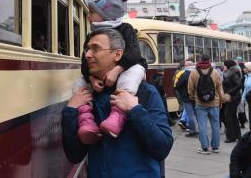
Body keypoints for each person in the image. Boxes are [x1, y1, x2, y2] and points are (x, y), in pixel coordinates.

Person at [62, 28, 173, 177]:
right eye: (87, 49)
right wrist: (70, 110)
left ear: (118, 54)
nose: (87, 55)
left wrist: (135, 110)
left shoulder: (146, 92)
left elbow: (162, 148)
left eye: (95, 49)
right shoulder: (85, 97)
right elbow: (75, 155)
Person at [73, 0, 148, 143]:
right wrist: (91, 78)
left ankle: (118, 115)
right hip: (100, 77)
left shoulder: (125, 29)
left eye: (92, 12)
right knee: (78, 83)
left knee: (135, 72)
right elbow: (84, 61)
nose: (88, 17)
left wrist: (117, 69)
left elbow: (134, 54)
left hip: (126, 69)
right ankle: (86, 119)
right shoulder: (91, 35)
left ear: (105, 13)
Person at [188, 54, 225, 154]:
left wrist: (192, 98)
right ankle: (215, 147)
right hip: (214, 103)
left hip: (200, 103)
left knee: (202, 125)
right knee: (215, 125)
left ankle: (204, 147)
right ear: (209, 60)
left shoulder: (194, 72)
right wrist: (221, 100)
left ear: (200, 60)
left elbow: (190, 88)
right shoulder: (215, 72)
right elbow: (219, 88)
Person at [175, 60, 198, 137]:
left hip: (186, 97)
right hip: (196, 97)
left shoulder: (185, 74)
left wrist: (182, 92)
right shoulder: (197, 73)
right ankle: (202, 129)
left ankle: (193, 131)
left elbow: (177, 85)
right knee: (198, 114)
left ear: (187, 66)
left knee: (190, 115)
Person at [222, 60, 242, 143]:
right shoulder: (230, 72)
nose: (223, 67)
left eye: (224, 65)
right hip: (231, 97)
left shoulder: (234, 73)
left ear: (228, 66)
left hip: (233, 97)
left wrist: (229, 93)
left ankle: (231, 137)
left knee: (228, 116)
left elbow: (239, 85)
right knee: (232, 116)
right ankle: (237, 135)